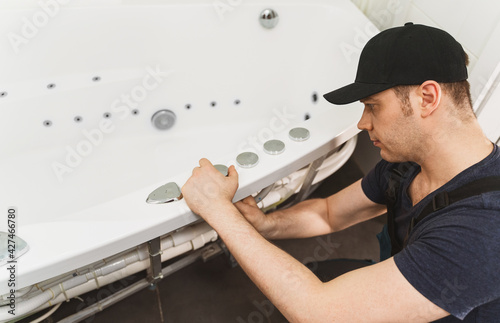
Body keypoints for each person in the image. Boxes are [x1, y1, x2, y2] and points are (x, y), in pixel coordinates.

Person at [181, 23, 500, 322]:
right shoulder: (410, 164)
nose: (363, 122)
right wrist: (266, 224)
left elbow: (320, 313)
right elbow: (329, 213)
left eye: (373, 105)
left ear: (427, 98)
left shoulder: (484, 230)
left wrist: (217, 209)